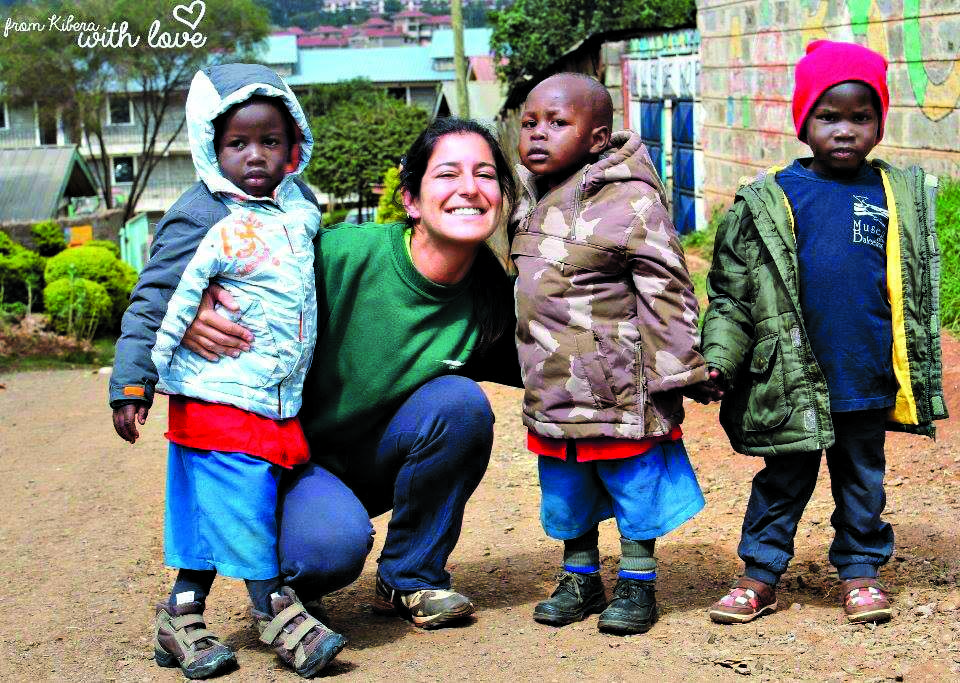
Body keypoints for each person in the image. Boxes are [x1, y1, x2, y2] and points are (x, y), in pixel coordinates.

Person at [179, 118, 520, 634]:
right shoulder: (339, 256)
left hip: (369, 457)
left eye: (486, 174)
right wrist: (189, 311)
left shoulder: (491, 300)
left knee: (460, 404)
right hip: (286, 462)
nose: (469, 189)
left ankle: (411, 577)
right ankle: (288, 582)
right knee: (327, 552)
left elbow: (563, 366)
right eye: (447, 174)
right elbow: (231, 270)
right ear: (410, 199)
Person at [109, 63, 347, 679]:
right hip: (217, 389)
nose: (256, 156)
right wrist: (134, 383)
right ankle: (272, 605)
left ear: (294, 143)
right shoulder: (200, 214)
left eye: (271, 141)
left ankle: (180, 611)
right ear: (210, 146)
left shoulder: (301, 208)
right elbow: (155, 299)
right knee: (243, 496)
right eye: (238, 143)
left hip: (265, 393)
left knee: (204, 507)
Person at [702, 40, 946, 626]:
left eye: (860, 118)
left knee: (862, 480)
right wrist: (719, 360)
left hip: (864, 374)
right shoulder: (771, 199)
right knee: (783, 479)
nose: (844, 131)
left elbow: (912, 288)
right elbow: (733, 294)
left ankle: (861, 570)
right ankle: (760, 575)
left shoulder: (894, 196)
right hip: (789, 379)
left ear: (879, 124)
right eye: (828, 116)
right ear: (803, 121)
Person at [511, 72, 717, 636]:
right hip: (552, 384)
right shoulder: (526, 195)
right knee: (565, 489)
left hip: (619, 385)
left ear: (598, 137)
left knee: (634, 483)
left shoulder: (631, 199)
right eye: (530, 122)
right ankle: (580, 577)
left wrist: (682, 369)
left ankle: (637, 580)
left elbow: (666, 289)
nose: (537, 134)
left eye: (557, 123)